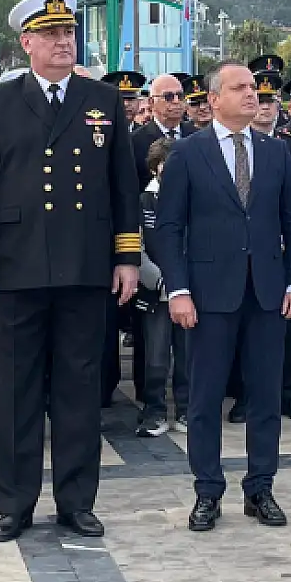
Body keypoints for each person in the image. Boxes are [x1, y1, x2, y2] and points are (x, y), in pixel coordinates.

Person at [0, 0, 140, 542]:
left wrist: (127, 256)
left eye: (70, 34)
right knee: (14, 391)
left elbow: (122, 186)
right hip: (17, 266)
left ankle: (76, 500)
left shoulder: (102, 99)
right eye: (52, 35)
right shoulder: (1, 99)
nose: (64, 43)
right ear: (27, 43)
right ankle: (14, 503)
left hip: (86, 263)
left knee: (79, 388)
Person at [155, 61, 291, 531]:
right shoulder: (186, 153)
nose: (252, 94)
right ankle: (207, 491)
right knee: (204, 400)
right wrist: (178, 289)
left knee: (265, 396)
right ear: (213, 99)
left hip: (266, 293)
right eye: (240, 87)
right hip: (207, 295)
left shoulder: (275, 152)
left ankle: (260, 488)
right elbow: (168, 228)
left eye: (255, 88)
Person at [135, 137, 188, 435]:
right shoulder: (144, 201)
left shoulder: (192, 199)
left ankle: (186, 410)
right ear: (156, 168)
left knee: (187, 355)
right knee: (156, 358)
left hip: (188, 291)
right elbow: (137, 247)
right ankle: (154, 411)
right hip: (156, 293)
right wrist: (159, 279)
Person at [130, 72, 194, 187]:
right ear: (151, 102)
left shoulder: (196, 135)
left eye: (180, 96)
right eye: (168, 97)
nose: (176, 101)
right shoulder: (135, 142)